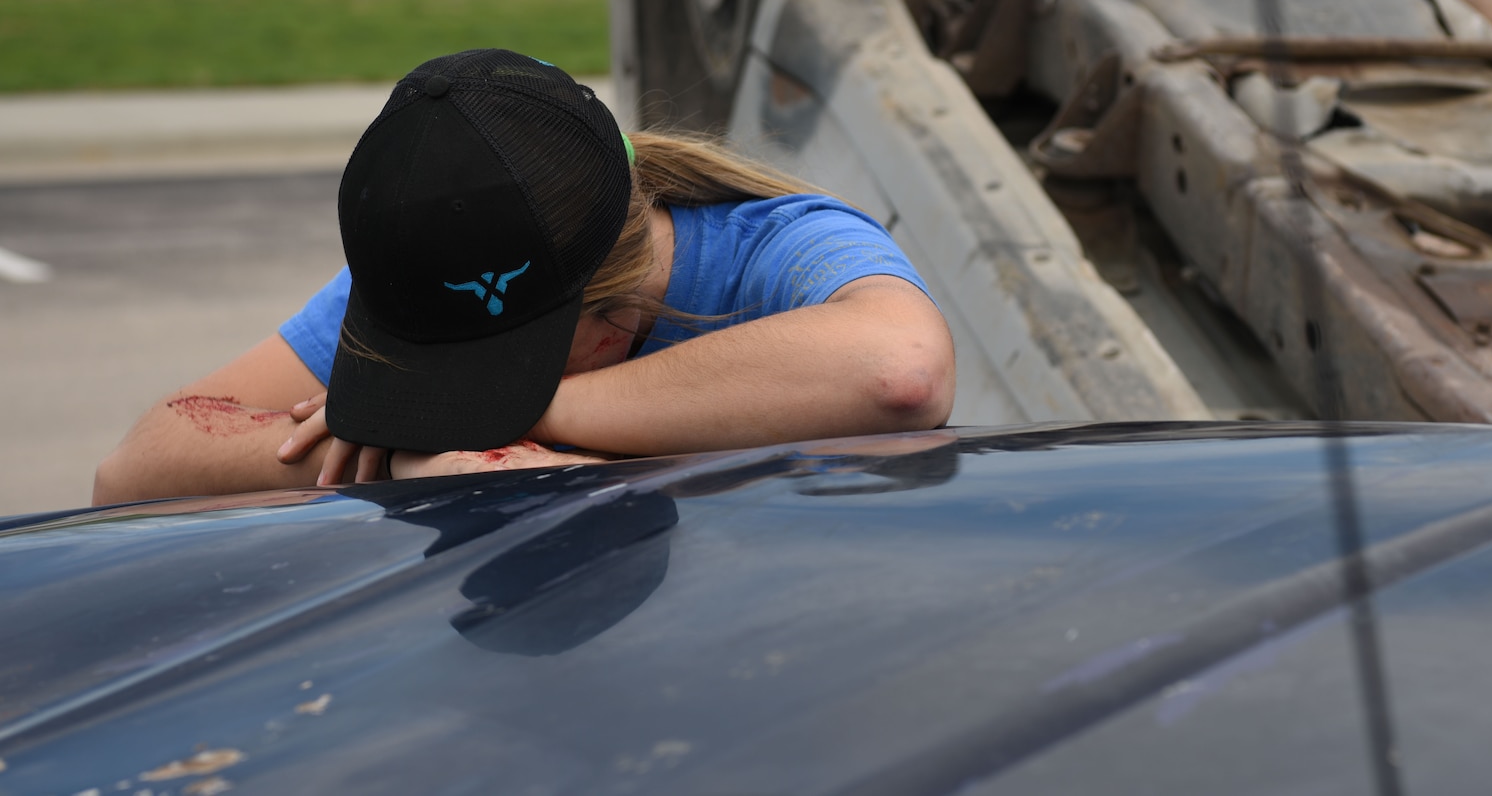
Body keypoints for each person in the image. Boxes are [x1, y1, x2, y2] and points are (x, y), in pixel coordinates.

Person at [93, 50, 954, 504]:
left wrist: (511, 412)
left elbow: (900, 371)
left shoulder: (780, 249)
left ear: (616, 310)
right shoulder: (436, 272)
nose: (449, 387)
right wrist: (402, 455)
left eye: (494, 360)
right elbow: (131, 472)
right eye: (442, 369)